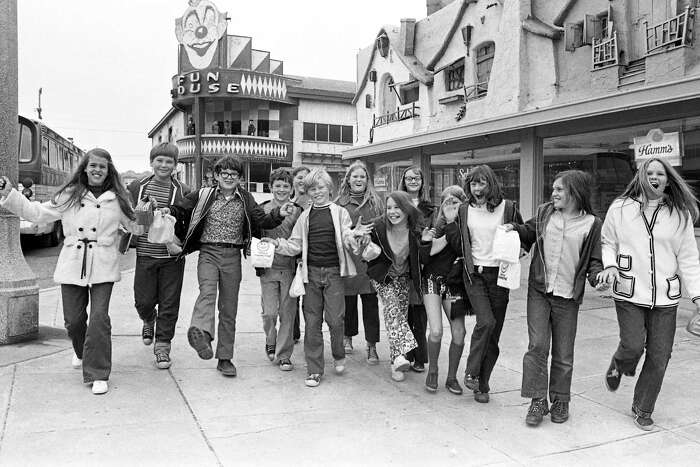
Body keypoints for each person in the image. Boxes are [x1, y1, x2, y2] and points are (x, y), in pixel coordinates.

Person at [0, 148, 144, 395]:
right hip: (73, 261)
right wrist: (10, 194)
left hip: (103, 263)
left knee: (99, 319)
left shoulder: (118, 199)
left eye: (102, 166)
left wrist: (145, 214)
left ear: (109, 170)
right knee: (74, 321)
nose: (97, 170)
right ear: (85, 168)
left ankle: (98, 373)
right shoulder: (69, 195)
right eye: (93, 166)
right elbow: (36, 213)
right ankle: (80, 349)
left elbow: (135, 228)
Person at [597, 157, 700, 431]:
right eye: (650, 172)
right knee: (632, 346)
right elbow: (608, 241)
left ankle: (642, 407)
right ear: (641, 176)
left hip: (666, 297)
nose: (655, 177)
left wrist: (698, 295)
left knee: (660, 355)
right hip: (630, 292)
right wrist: (610, 266)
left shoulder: (680, 214)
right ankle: (619, 364)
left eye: (661, 174)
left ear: (668, 179)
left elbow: (689, 257)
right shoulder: (620, 208)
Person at [171, 155, 293, 377]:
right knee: (207, 292)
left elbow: (260, 221)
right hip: (208, 252)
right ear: (216, 175)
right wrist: (166, 212)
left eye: (233, 174)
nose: (228, 177)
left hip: (232, 255)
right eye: (224, 173)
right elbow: (181, 209)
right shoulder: (203, 194)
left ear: (239, 178)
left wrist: (278, 215)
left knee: (229, 308)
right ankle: (202, 334)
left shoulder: (245, 198)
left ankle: (225, 358)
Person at [504, 170, 605, 426]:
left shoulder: (592, 223)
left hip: (568, 296)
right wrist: (512, 229)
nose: (554, 193)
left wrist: (599, 278)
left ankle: (561, 399)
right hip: (540, 291)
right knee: (537, 346)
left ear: (575, 191)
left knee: (563, 353)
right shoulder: (546, 212)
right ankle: (538, 400)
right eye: (553, 189)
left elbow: (594, 260)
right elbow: (528, 231)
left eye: (560, 189)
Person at [263, 168, 358, 388]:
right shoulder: (304, 215)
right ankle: (314, 369)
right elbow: (295, 243)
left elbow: (346, 234)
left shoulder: (340, 212)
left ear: (330, 189)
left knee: (335, 320)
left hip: (334, 273)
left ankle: (338, 353)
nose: (316, 192)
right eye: (312, 189)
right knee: (312, 323)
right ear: (307, 192)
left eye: (320, 188)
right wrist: (277, 244)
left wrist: (355, 236)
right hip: (310, 274)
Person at [444, 164, 523, 403]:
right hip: (474, 274)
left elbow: (524, 234)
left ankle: (483, 384)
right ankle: (471, 371)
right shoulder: (465, 209)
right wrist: (449, 223)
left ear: (491, 184)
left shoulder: (507, 208)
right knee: (485, 321)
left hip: (500, 276)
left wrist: (518, 251)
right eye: (473, 184)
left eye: (482, 183)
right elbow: (459, 243)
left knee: (493, 335)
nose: (477, 188)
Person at [126, 142, 190, 370]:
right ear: (151, 162)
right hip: (145, 254)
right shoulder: (137, 186)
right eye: (159, 160)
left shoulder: (183, 190)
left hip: (172, 257)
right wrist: (141, 215)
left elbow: (188, 220)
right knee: (143, 302)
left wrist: (178, 237)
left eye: (169, 161)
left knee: (169, 304)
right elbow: (126, 215)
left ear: (175, 165)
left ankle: (163, 346)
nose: (164, 165)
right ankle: (148, 319)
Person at [362, 191, 421, 382]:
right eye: (389, 208)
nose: (392, 212)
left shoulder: (415, 229)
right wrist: (357, 236)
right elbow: (354, 242)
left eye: (397, 207)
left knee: (397, 317)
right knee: (393, 308)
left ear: (406, 209)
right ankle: (400, 356)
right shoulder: (378, 226)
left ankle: (397, 361)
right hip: (382, 276)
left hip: (404, 278)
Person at [420, 186, 470, 395]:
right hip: (432, 280)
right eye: (446, 202)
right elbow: (424, 257)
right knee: (437, 331)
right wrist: (426, 241)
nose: (450, 206)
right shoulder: (435, 225)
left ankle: (451, 377)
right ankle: (433, 370)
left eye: (455, 202)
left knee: (459, 332)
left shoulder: (468, 227)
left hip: (454, 283)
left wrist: (453, 223)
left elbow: (462, 249)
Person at [336, 161, 384, 363]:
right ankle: (347, 338)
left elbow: (383, 226)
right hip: (348, 259)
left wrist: (370, 237)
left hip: (370, 260)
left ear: (367, 180)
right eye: (354, 176)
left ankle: (372, 345)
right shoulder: (338, 203)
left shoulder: (376, 202)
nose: (358, 180)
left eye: (362, 177)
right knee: (348, 303)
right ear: (348, 179)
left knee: (371, 305)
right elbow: (336, 231)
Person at [257, 168, 301, 370]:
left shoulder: (299, 211)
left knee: (287, 313)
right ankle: (270, 339)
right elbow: (254, 234)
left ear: (292, 188)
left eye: (286, 186)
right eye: (278, 186)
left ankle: (284, 354)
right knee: (269, 313)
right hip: (268, 269)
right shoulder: (263, 209)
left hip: (290, 269)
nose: (282, 189)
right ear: (270, 187)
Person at [397, 166, 433, 373]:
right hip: (402, 262)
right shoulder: (399, 204)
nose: (413, 181)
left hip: (422, 263)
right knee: (403, 313)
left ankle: (420, 357)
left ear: (422, 181)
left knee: (419, 314)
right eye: (409, 178)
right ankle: (404, 355)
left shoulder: (429, 207)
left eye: (416, 177)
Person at [290, 165, 311, 342]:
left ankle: (310, 332)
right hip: (290, 253)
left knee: (309, 298)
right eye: (299, 177)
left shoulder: (313, 201)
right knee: (293, 295)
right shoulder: (288, 201)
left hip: (309, 254)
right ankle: (294, 332)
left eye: (306, 177)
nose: (302, 180)